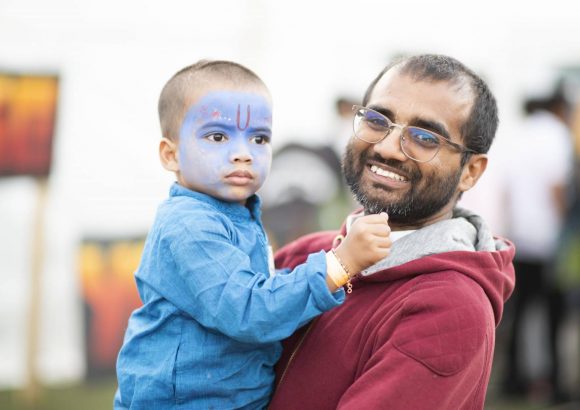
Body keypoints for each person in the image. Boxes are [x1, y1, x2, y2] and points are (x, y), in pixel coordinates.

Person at [113, 60, 392, 409]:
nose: (243, 154)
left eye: (259, 138)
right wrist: (340, 264)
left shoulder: (234, 213)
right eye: (217, 136)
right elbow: (248, 309)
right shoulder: (190, 225)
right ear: (171, 155)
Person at [268, 54, 515, 410]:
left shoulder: (451, 310)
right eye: (377, 120)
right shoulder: (306, 254)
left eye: (424, 137)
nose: (386, 147)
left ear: (470, 171)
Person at [502, 83, 574, 402]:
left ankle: (513, 380)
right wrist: (564, 229)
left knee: (518, 312)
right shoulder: (556, 133)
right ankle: (554, 384)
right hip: (548, 239)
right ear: (560, 107)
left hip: (518, 237)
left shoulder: (520, 134)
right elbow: (556, 186)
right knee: (553, 316)